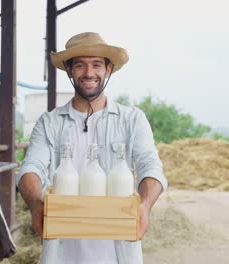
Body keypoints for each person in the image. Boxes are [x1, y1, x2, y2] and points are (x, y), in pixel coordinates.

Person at [16, 32, 168, 264]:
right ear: (69, 70)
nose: (88, 73)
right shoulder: (50, 122)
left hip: (118, 251)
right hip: (63, 251)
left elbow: (150, 165)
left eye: (97, 65)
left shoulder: (132, 119)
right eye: (80, 65)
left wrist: (145, 206)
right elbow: (31, 167)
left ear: (108, 69)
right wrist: (36, 205)